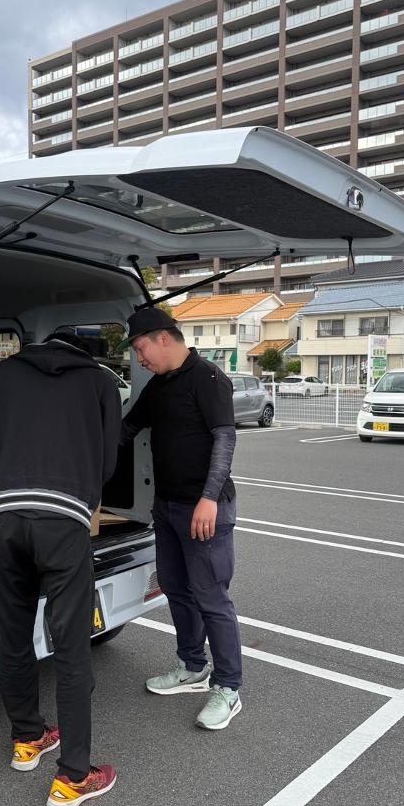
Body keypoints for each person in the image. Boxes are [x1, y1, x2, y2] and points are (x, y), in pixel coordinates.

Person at [0, 331, 121, 806]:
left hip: (5, 516)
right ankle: (73, 777)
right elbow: (109, 463)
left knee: (12, 628)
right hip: (65, 520)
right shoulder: (100, 382)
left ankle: (27, 739)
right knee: (71, 644)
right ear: (80, 351)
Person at [120, 308, 243, 730]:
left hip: (205, 509)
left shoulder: (208, 378)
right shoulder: (159, 386)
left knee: (212, 597)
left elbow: (224, 439)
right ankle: (192, 666)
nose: (140, 359)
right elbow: (126, 429)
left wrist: (208, 498)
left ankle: (228, 688)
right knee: (175, 587)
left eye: (141, 349)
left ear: (163, 338)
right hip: (168, 507)